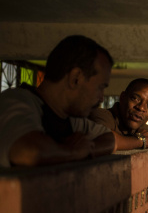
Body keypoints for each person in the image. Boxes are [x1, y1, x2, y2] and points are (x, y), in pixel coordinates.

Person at [0, 35, 116, 167]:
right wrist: (73, 152)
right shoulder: (15, 101)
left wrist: (87, 150)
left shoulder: (70, 120)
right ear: (75, 78)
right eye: (100, 88)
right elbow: (26, 152)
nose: (101, 97)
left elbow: (110, 139)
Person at [89, 78, 148, 150]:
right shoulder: (101, 115)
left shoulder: (137, 123)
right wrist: (140, 141)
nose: (141, 108)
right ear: (122, 98)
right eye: (135, 99)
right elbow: (104, 140)